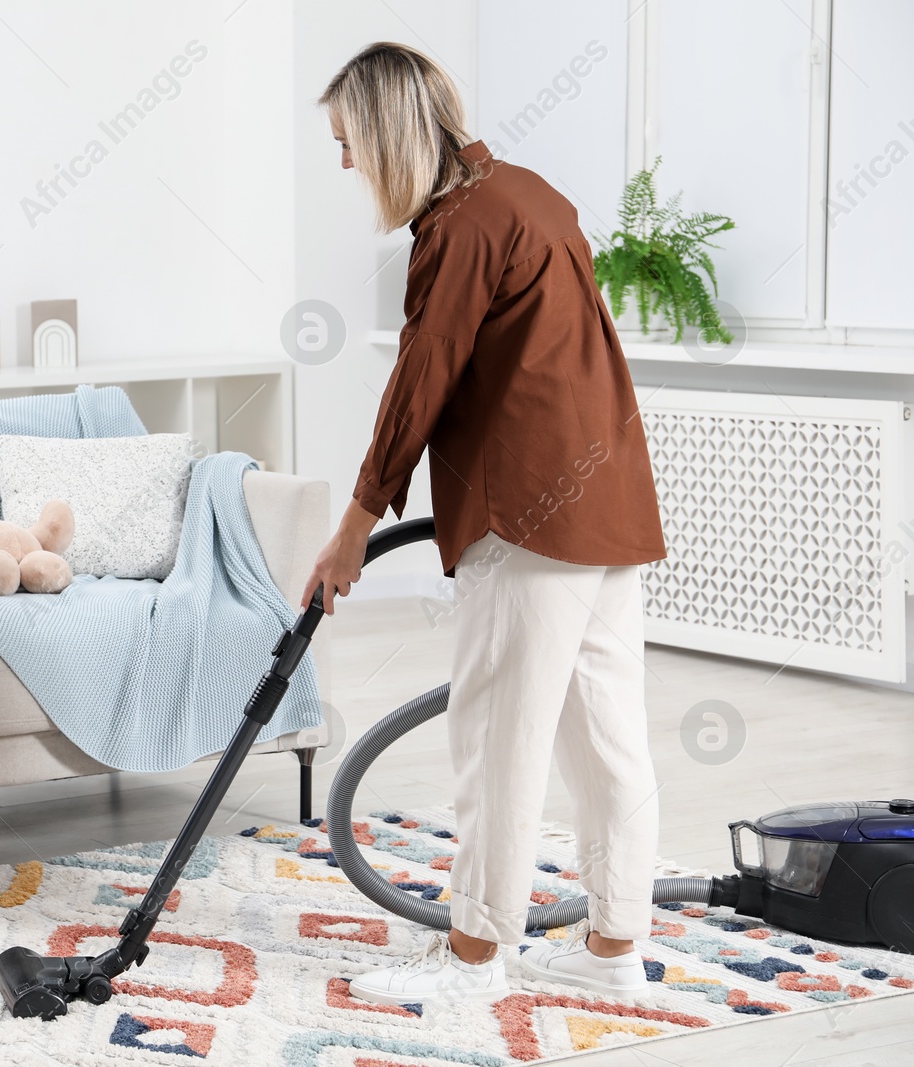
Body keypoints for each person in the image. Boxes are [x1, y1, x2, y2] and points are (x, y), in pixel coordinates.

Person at [300, 42, 669, 1005]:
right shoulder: (529, 193)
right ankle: (614, 948)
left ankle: (475, 957)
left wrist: (353, 525)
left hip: (529, 512)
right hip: (609, 502)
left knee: (498, 738)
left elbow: (420, 380)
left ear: (387, 134)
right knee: (606, 734)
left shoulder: (459, 224)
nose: (346, 165)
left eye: (348, 144)